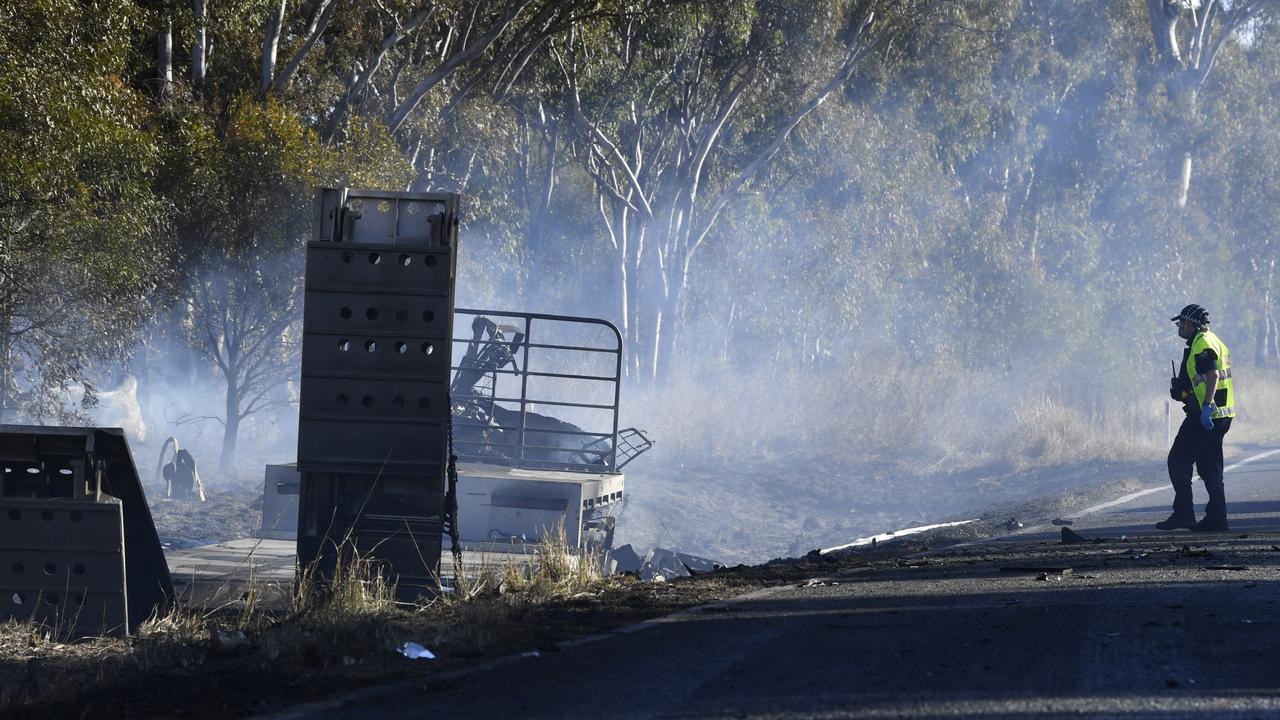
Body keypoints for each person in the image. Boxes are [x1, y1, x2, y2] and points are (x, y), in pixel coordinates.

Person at [1158, 304, 1236, 532]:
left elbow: (1212, 374)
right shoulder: (1213, 340)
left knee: (1178, 461)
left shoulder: (1202, 344)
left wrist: (1206, 405)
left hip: (1207, 415)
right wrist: (1185, 392)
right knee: (1210, 467)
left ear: (1191, 323)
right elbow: (1204, 377)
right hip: (1221, 415)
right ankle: (1217, 519)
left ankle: (1184, 514)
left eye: (1181, 323)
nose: (1179, 327)